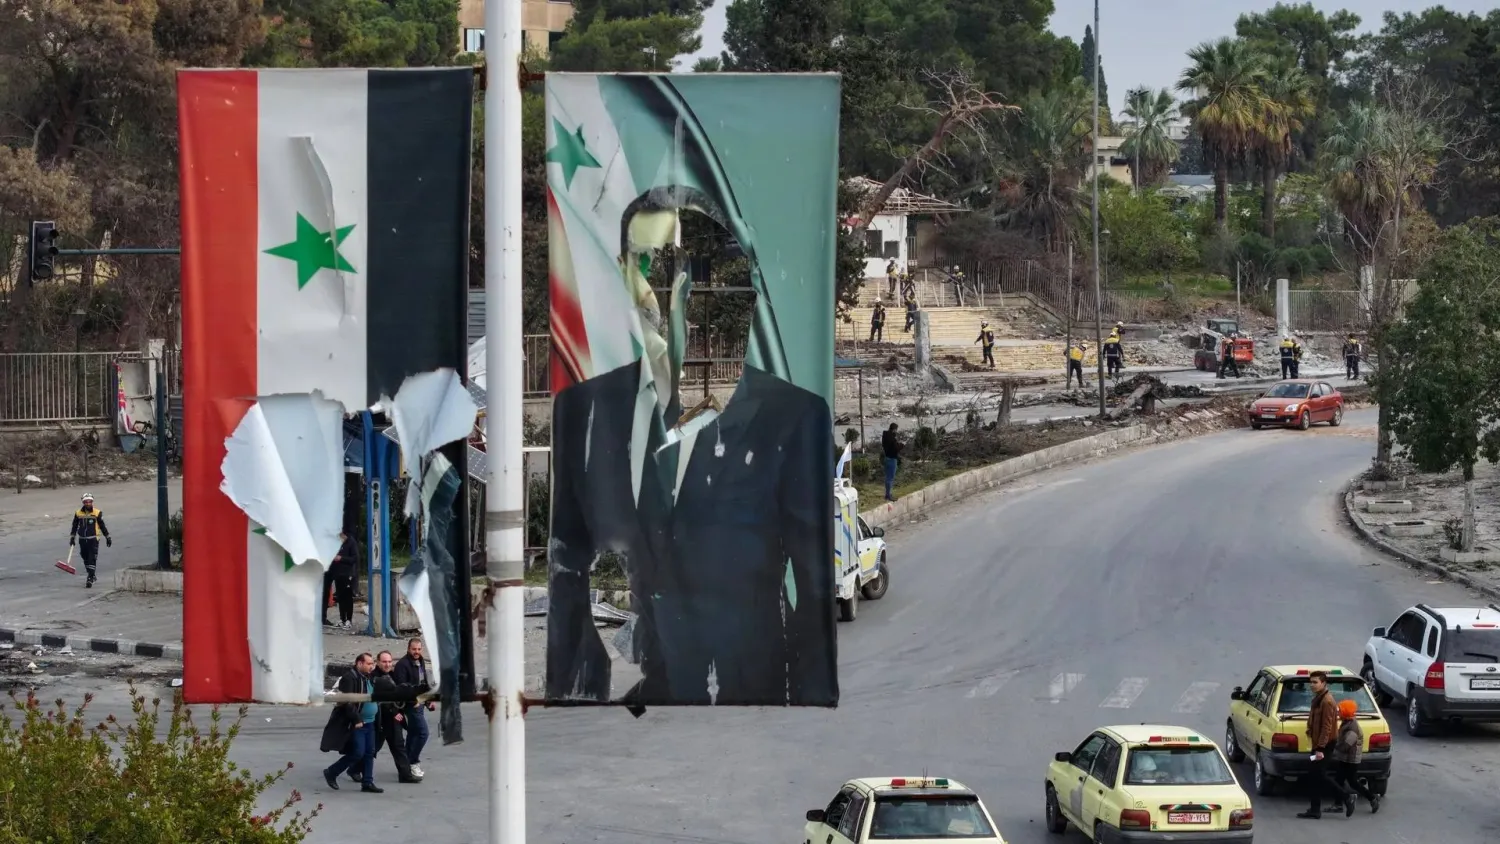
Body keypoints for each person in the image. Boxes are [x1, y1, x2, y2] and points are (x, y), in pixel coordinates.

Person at [322, 653, 382, 794]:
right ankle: (331, 772)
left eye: (372, 664)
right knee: (357, 753)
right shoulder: (349, 678)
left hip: (370, 723)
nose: (371, 666)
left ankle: (367, 782)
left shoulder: (368, 677)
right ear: (359, 663)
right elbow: (347, 702)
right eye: (368, 664)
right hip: (358, 723)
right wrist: (357, 719)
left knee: (369, 753)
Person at [1298, 670, 1352, 819]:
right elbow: (1315, 720)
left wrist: (1320, 749)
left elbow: (1327, 727)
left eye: (1315, 682)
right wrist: (1310, 729)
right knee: (1314, 774)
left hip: (1324, 746)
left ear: (1324, 683)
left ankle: (1346, 796)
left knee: (1319, 774)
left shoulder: (1327, 701)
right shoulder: (1318, 699)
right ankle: (1315, 809)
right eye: (1311, 682)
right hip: (1318, 744)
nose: (1312, 685)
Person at [371, 651, 421, 784]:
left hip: (393, 719)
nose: (387, 664)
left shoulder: (393, 675)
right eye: (384, 662)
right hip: (381, 720)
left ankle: (405, 775)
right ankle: (353, 769)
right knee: (373, 748)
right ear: (377, 662)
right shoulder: (374, 678)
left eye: (389, 661)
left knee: (399, 746)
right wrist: (396, 713)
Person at [394, 637, 436, 777]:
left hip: (420, 703)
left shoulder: (421, 661)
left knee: (413, 733)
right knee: (423, 733)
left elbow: (423, 683)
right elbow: (401, 688)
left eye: (419, 649)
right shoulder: (402, 665)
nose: (416, 652)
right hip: (412, 705)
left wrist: (428, 699)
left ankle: (405, 764)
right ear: (408, 649)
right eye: (414, 649)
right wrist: (414, 701)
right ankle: (413, 762)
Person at [1331, 697, 1379, 814]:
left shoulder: (1353, 728)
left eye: (1340, 710)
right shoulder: (1347, 723)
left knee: (1352, 782)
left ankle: (1372, 798)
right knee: (1339, 780)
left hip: (1351, 760)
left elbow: (1346, 745)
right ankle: (1338, 804)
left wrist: (1333, 748)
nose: (1338, 712)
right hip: (1346, 758)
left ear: (1345, 712)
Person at [68, 493, 111, 589]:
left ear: (92, 502)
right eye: (86, 502)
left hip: (93, 539)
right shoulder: (78, 513)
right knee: (85, 557)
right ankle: (92, 574)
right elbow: (74, 526)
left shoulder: (97, 513)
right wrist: (72, 537)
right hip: (82, 539)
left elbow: (102, 526)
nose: (88, 503)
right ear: (83, 502)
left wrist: (107, 537)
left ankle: (90, 578)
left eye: (89, 501)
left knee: (92, 558)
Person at [329, 530, 359, 630]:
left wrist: (341, 558)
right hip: (338, 573)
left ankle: (349, 620)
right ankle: (342, 619)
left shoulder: (351, 542)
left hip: (348, 573)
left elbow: (354, 558)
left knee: (347, 597)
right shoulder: (337, 543)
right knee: (340, 597)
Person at [881, 423, 903, 502]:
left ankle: (887, 494)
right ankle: (888, 495)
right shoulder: (892, 438)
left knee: (887, 477)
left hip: (886, 458)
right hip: (892, 459)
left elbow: (885, 446)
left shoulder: (885, 436)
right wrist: (901, 445)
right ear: (894, 429)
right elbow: (895, 449)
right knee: (890, 478)